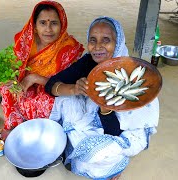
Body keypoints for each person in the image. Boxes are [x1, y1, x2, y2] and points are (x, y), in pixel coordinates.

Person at [45, 16, 159, 179]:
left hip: (118, 130)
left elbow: (115, 131)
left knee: (106, 153)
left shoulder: (131, 73)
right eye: (93, 40)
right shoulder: (88, 62)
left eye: (106, 40)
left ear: (118, 42)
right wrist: (73, 89)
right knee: (65, 100)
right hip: (90, 121)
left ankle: (111, 165)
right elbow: (51, 85)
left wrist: (105, 106)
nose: (98, 47)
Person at [0, 0, 84, 130]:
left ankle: (42, 127)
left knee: (47, 102)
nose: (48, 29)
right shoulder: (26, 42)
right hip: (25, 85)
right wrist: (14, 80)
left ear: (62, 25)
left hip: (51, 87)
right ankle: (18, 122)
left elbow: (64, 83)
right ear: (35, 26)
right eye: (43, 23)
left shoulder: (69, 48)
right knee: (6, 88)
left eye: (54, 23)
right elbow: (14, 66)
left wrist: (34, 78)